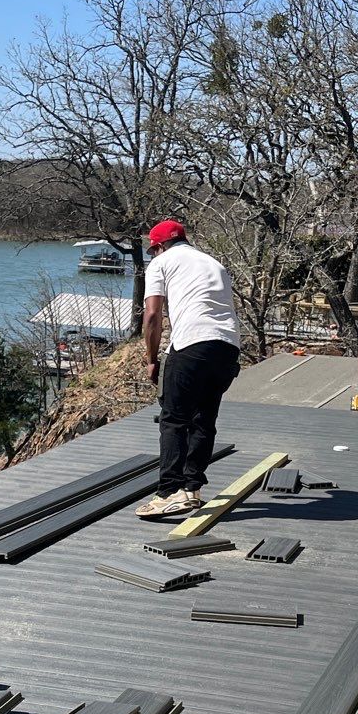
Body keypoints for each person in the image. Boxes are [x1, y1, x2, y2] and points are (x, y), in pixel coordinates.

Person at [136, 219, 241, 518]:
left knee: (173, 419)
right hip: (228, 346)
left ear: (158, 246)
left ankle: (168, 492)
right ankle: (192, 490)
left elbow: (153, 315)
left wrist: (151, 359)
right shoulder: (213, 263)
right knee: (203, 419)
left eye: (153, 250)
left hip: (193, 342)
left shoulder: (162, 263)